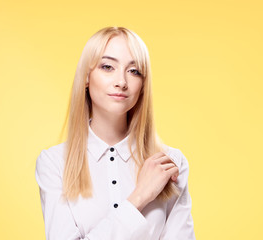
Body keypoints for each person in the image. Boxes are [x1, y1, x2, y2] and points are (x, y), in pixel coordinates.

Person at [35, 26, 195, 240]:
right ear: (86, 77)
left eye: (134, 71)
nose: (121, 81)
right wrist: (139, 197)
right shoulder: (54, 163)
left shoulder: (170, 163)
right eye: (108, 67)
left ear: (143, 85)